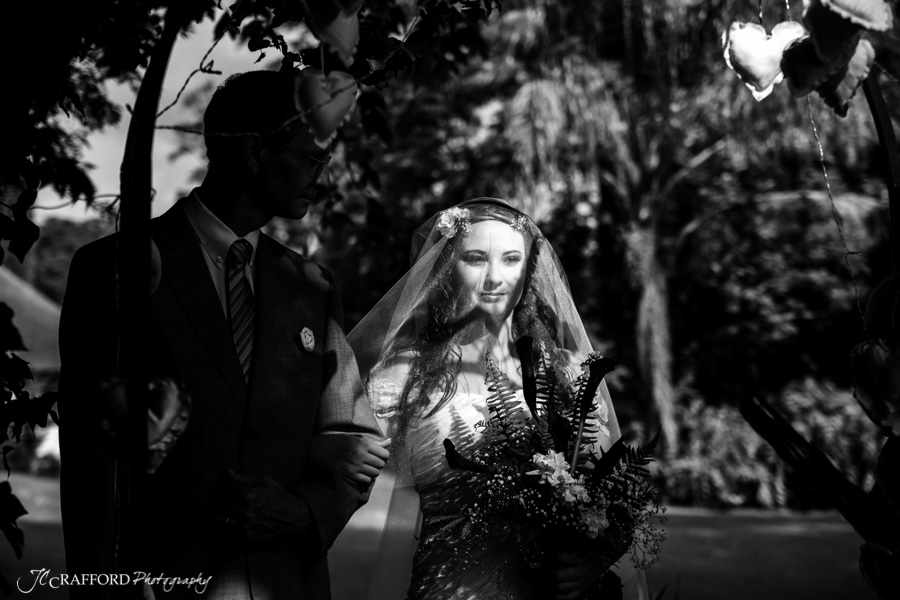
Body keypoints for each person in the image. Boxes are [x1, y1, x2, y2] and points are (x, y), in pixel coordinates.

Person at [58, 69, 388, 599]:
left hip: (290, 584)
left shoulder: (311, 286)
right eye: (311, 159)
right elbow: (91, 462)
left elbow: (356, 439)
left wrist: (302, 511)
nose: (323, 179)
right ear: (256, 152)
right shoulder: (113, 269)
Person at [343, 199, 649, 599]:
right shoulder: (403, 374)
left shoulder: (568, 373)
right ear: (446, 268)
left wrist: (596, 559)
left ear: (529, 270)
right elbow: (344, 472)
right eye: (475, 258)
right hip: (452, 586)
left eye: (511, 260)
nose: (493, 277)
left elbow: (617, 498)